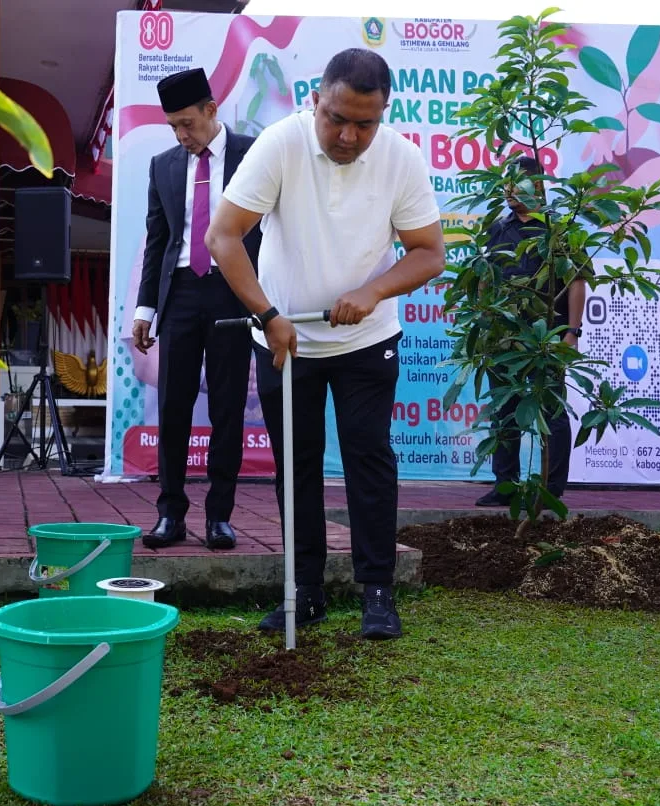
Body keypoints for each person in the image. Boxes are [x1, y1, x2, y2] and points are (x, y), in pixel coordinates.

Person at [205, 47, 445, 640]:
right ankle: (303, 592)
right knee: (297, 466)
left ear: (384, 113)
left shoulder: (401, 159)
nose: (348, 135)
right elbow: (223, 236)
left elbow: (428, 252)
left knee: (369, 461)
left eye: (366, 123)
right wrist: (267, 315)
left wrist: (374, 291)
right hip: (286, 338)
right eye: (337, 118)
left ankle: (378, 594)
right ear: (316, 99)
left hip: (367, 341)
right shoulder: (281, 145)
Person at [132, 68, 262, 551]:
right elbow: (158, 242)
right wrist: (146, 309)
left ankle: (219, 517)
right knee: (174, 405)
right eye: (173, 126)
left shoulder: (254, 154)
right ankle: (170, 513)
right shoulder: (163, 165)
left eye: (188, 123)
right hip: (181, 292)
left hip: (234, 290)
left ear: (212, 110)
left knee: (228, 405)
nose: (182, 135)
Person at [472, 155, 587, 508]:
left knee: (550, 411)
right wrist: (482, 322)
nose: (508, 191)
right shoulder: (496, 228)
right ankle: (505, 485)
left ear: (537, 185)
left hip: (546, 340)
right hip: (502, 338)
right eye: (505, 184)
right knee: (504, 411)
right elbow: (483, 279)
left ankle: (551, 489)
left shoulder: (560, 229)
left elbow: (578, 280)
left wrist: (572, 332)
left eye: (516, 183)